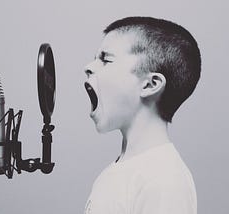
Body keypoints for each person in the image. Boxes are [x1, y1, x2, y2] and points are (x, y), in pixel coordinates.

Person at [83, 16, 201, 214]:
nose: (88, 67)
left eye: (105, 59)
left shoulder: (164, 181)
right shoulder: (115, 173)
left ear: (150, 84)